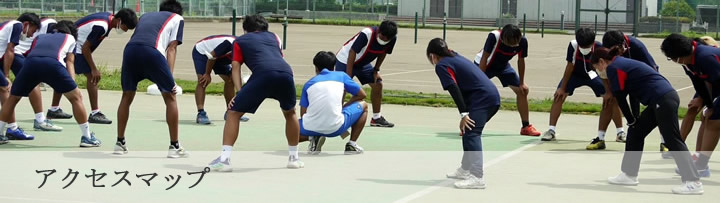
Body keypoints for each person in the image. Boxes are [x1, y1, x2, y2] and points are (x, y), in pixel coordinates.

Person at [592, 47, 703, 195]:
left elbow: (619, 97)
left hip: (663, 99)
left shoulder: (613, 67)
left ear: (601, 62)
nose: (599, 72)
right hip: (660, 99)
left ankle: (693, 181)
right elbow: (630, 94)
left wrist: (631, 119)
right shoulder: (620, 64)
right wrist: (633, 121)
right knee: (636, 131)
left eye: (596, 68)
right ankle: (629, 174)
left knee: (672, 139)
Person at [207, 14, 302, 172]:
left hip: (263, 74)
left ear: (245, 30)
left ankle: (224, 160)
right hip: (286, 73)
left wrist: (239, 92)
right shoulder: (274, 37)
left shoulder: (240, 41)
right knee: (290, 113)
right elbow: (277, 57)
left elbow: (235, 67)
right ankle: (294, 158)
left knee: (233, 113)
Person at [0, 20, 102, 147]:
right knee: (76, 98)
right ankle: (87, 137)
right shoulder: (70, 38)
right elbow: (70, 62)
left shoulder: (40, 36)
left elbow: (33, 53)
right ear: (72, 32)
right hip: (52, 64)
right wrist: (72, 85)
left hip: (30, 64)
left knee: (13, 98)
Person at [114, 0, 187, 158]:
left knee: (127, 96)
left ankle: (120, 142)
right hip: (152, 52)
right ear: (178, 12)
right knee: (170, 96)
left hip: (130, 51)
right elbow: (172, 48)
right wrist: (170, 78)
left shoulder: (146, 16)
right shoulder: (177, 18)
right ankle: (174, 146)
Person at [428, 38, 501, 189]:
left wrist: (464, 114)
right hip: (487, 96)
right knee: (467, 130)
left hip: (484, 98)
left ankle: (477, 177)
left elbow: (454, 89)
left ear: (432, 56)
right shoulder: (454, 55)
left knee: (472, 132)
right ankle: (465, 169)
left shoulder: (441, 65)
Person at [46, 9, 138, 125]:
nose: (125, 31)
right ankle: (95, 113)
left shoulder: (108, 19)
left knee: (62, 76)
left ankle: (54, 109)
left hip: (73, 45)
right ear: (119, 20)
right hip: (76, 47)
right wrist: (94, 68)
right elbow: (86, 48)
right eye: (126, 27)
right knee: (92, 77)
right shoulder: (102, 26)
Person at [540, 28, 625, 150]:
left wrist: (608, 91)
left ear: (593, 42)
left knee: (612, 99)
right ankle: (551, 130)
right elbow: (570, 66)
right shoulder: (573, 45)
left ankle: (620, 133)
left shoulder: (600, 48)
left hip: (593, 75)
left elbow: (604, 70)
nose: (584, 48)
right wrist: (563, 88)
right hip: (575, 75)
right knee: (558, 95)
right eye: (582, 45)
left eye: (587, 46)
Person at [602, 30, 671, 157]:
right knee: (633, 122)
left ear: (623, 44)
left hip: (646, 85)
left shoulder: (637, 46)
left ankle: (665, 142)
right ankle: (605, 136)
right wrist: (608, 90)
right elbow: (598, 71)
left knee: (659, 114)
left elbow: (653, 67)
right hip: (624, 82)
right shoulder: (604, 53)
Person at [661, 33, 720, 178]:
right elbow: (699, 83)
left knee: (714, 122)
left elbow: (717, 83)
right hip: (715, 87)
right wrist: (707, 104)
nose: (674, 61)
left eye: (672, 58)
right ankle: (701, 163)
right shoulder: (688, 61)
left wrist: (711, 105)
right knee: (707, 118)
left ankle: (700, 165)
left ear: (679, 55)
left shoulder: (705, 57)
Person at [1, 13, 63, 133]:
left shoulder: (9, 25)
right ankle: (39, 120)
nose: (32, 35)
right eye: (33, 31)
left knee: (4, 88)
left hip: (10, 55)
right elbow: (10, 50)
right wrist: (7, 75)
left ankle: (12, 127)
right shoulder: (18, 26)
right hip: (14, 54)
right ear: (26, 24)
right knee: (32, 80)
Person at [475, 24, 540, 136]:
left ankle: (526, 127)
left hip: (503, 66)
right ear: (503, 38)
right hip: (485, 65)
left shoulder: (523, 41)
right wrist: (481, 80)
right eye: (509, 43)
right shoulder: (494, 36)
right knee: (477, 93)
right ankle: (470, 126)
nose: (512, 46)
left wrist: (521, 82)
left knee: (522, 91)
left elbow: (521, 60)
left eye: (515, 43)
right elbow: (484, 57)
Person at [300, 51, 368, 155]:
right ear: (334, 66)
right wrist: (345, 106)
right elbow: (362, 95)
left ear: (316, 68)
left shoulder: (308, 84)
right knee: (364, 105)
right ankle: (352, 144)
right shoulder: (342, 76)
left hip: (311, 128)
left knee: (291, 127)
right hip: (336, 128)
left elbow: (303, 114)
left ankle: (312, 137)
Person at [335, 20, 397, 128]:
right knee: (343, 88)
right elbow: (352, 52)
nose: (384, 40)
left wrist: (376, 70)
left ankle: (376, 118)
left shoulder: (392, 39)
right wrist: (348, 77)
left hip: (362, 63)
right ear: (379, 31)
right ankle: (335, 117)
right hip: (345, 60)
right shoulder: (367, 33)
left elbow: (383, 53)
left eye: (387, 39)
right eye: (382, 37)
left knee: (378, 84)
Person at [192, 34, 249, 124]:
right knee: (203, 80)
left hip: (218, 57)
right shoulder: (230, 43)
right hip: (203, 52)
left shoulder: (246, 50)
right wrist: (207, 73)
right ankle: (201, 113)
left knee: (231, 79)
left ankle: (230, 112)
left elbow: (236, 68)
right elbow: (211, 56)